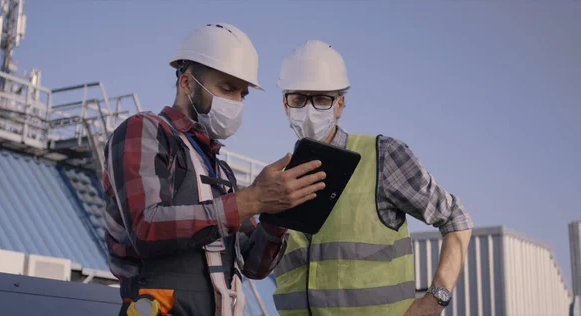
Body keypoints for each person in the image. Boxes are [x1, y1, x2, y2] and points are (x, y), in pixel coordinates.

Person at [102, 24, 326, 316]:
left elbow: (254, 265)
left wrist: (279, 213)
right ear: (186, 83)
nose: (235, 102)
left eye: (242, 94)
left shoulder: (220, 171)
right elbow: (147, 226)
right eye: (227, 88)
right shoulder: (144, 130)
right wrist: (254, 200)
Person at [272, 40, 474, 316]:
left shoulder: (382, 156)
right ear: (285, 104)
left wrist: (434, 301)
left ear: (340, 104)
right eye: (298, 99)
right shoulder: (277, 184)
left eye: (321, 99)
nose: (309, 110)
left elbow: (456, 219)